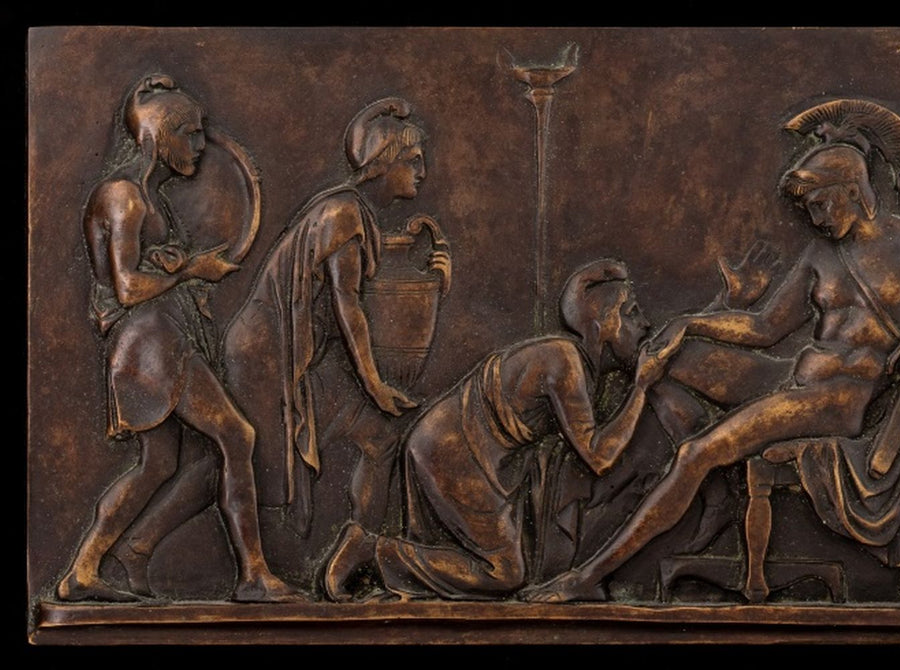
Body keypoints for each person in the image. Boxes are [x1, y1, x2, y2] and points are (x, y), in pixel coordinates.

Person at [523, 99, 900, 602]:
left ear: (853, 189)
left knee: (696, 454)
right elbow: (764, 327)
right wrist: (689, 325)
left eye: (820, 204)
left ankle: (590, 575)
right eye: (808, 209)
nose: (815, 219)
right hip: (792, 374)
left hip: (842, 399)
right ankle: (700, 490)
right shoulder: (821, 253)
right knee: (665, 360)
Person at [112, 98, 428, 592]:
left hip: (298, 355)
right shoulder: (343, 213)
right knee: (235, 455)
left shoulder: (352, 212)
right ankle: (156, 550)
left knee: (377, 438)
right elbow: (346, 305)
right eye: (413, 160)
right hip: (265, 355)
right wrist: (374, 384)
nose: (422, 172)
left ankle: (358, 556)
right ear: (383, 162)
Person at [57, 74, 296, 603]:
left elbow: (136, 269)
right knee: (237, 436)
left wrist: (173, 262)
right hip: (149, 342)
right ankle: (253, 576)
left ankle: (86, 569)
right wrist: (190, 270)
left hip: (156, 337)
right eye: (189, 133)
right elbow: (126, 287)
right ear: (156, 137)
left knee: (159, 465)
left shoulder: (145, 197)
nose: (200, 144)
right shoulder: (124, 196)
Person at [322, 259, 677, 600]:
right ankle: (369, 550)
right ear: (602, 325)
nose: (645, 324)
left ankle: (378, 555)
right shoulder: (564, 361)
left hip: (460, 451)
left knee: (487, 568)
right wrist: (641, 387)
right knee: (504, 573)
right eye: (631, 313)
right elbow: (599, 457)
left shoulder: (576, 364)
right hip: (452, 453)